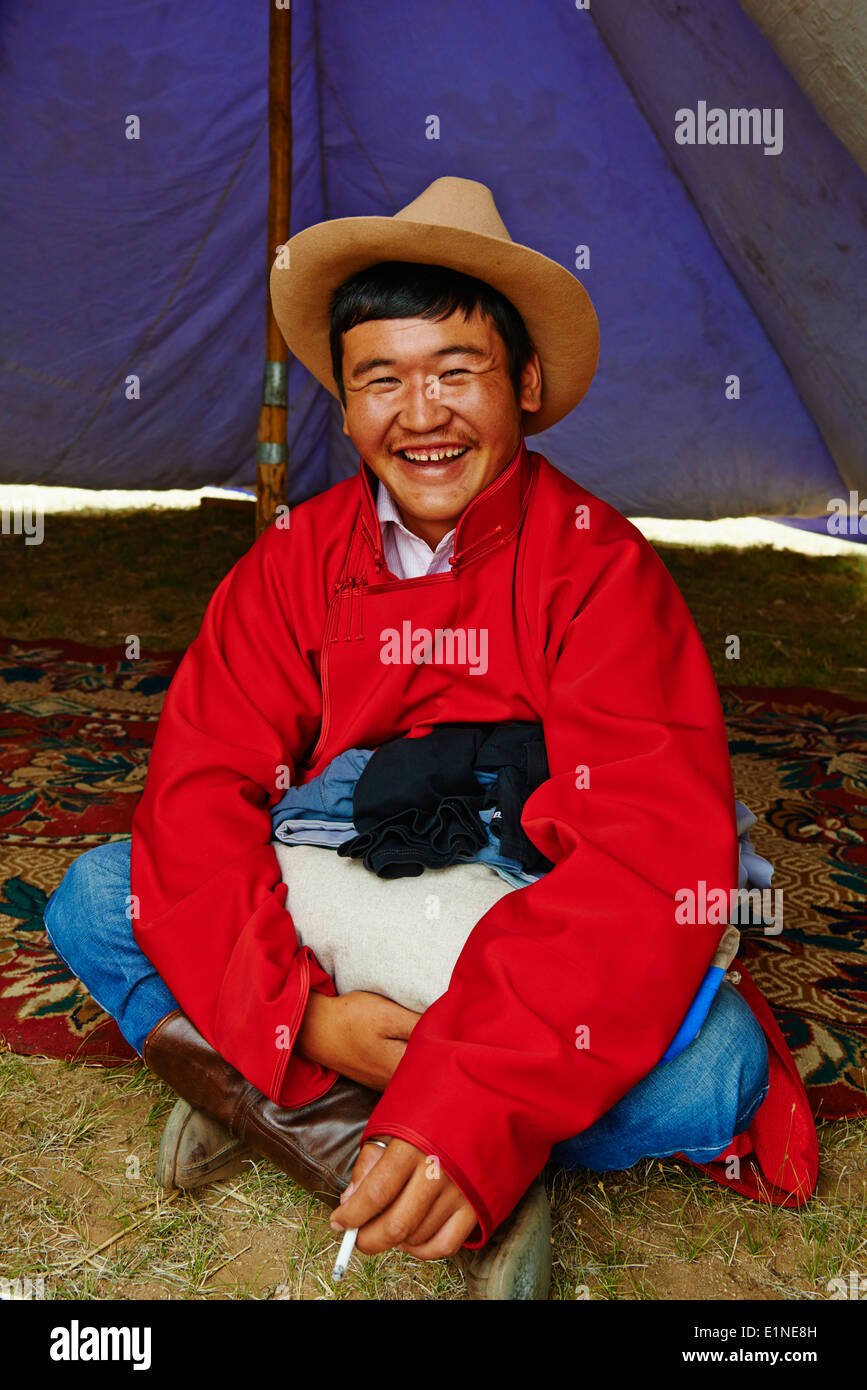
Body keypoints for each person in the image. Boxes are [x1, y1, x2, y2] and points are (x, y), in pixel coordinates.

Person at [44, 176, 817, 1300]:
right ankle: (377, 1121)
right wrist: (306, 1013)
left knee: (717, 1072)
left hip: (529, 946)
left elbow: (649, 857)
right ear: (345, 404)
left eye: (458, 373)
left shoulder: (601, 570)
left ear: (529, 386)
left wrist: (473, 1090)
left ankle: (273, 1102)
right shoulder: (294, 561)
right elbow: (201, 791)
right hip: (344, 934)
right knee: (94, 895)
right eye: (381, 382)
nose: (422, 415)